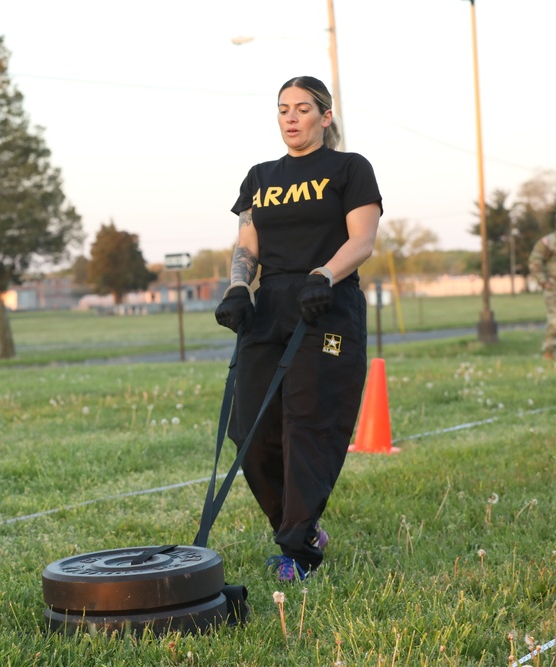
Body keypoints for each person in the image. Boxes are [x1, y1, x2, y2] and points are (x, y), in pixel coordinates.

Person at [214, 75, 382, 582]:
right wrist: (239, 289)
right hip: (271, 305)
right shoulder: (260, 176)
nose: (291, 117)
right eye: (283, 109)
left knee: (307, 423)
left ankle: (298, 545)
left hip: (325, 303)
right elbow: (246, 244)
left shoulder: (349, 168)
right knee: (249, 429)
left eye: (303, 109)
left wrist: (324, 275)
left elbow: (363, 239)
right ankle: (296, 526)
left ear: (325, 117)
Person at [527, 212, 556, 360]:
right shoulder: (547, 242)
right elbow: (535, 261)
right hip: (554, 288)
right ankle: (549, 351)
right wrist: (543, 281)